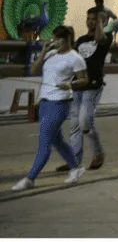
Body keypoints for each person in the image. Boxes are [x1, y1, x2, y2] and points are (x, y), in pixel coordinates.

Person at [12, 26, 89, 191]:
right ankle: (76, 168)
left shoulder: (75, 58)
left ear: (68, 38)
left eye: (59, 39)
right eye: (54, 39)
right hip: (45, 102)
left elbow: (84, 80)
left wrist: (71, 84)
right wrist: (43, 52)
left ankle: (30, 178)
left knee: (44, 142)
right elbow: (33, 70)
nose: (56, 42)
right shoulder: (51, 54)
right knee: (57, 140)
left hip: (60, 103)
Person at [65, 2, 118, 172]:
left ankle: (98, 153)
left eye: (94, 20)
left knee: (85, 122)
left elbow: (99, 38)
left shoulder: (106, 38)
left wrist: (102, 21)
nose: (90, 22)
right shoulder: (81, 40)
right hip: (77, 86)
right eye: (88, 19)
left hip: (93, 86)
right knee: (74, 125)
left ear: (102, 22)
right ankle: (74, 161)